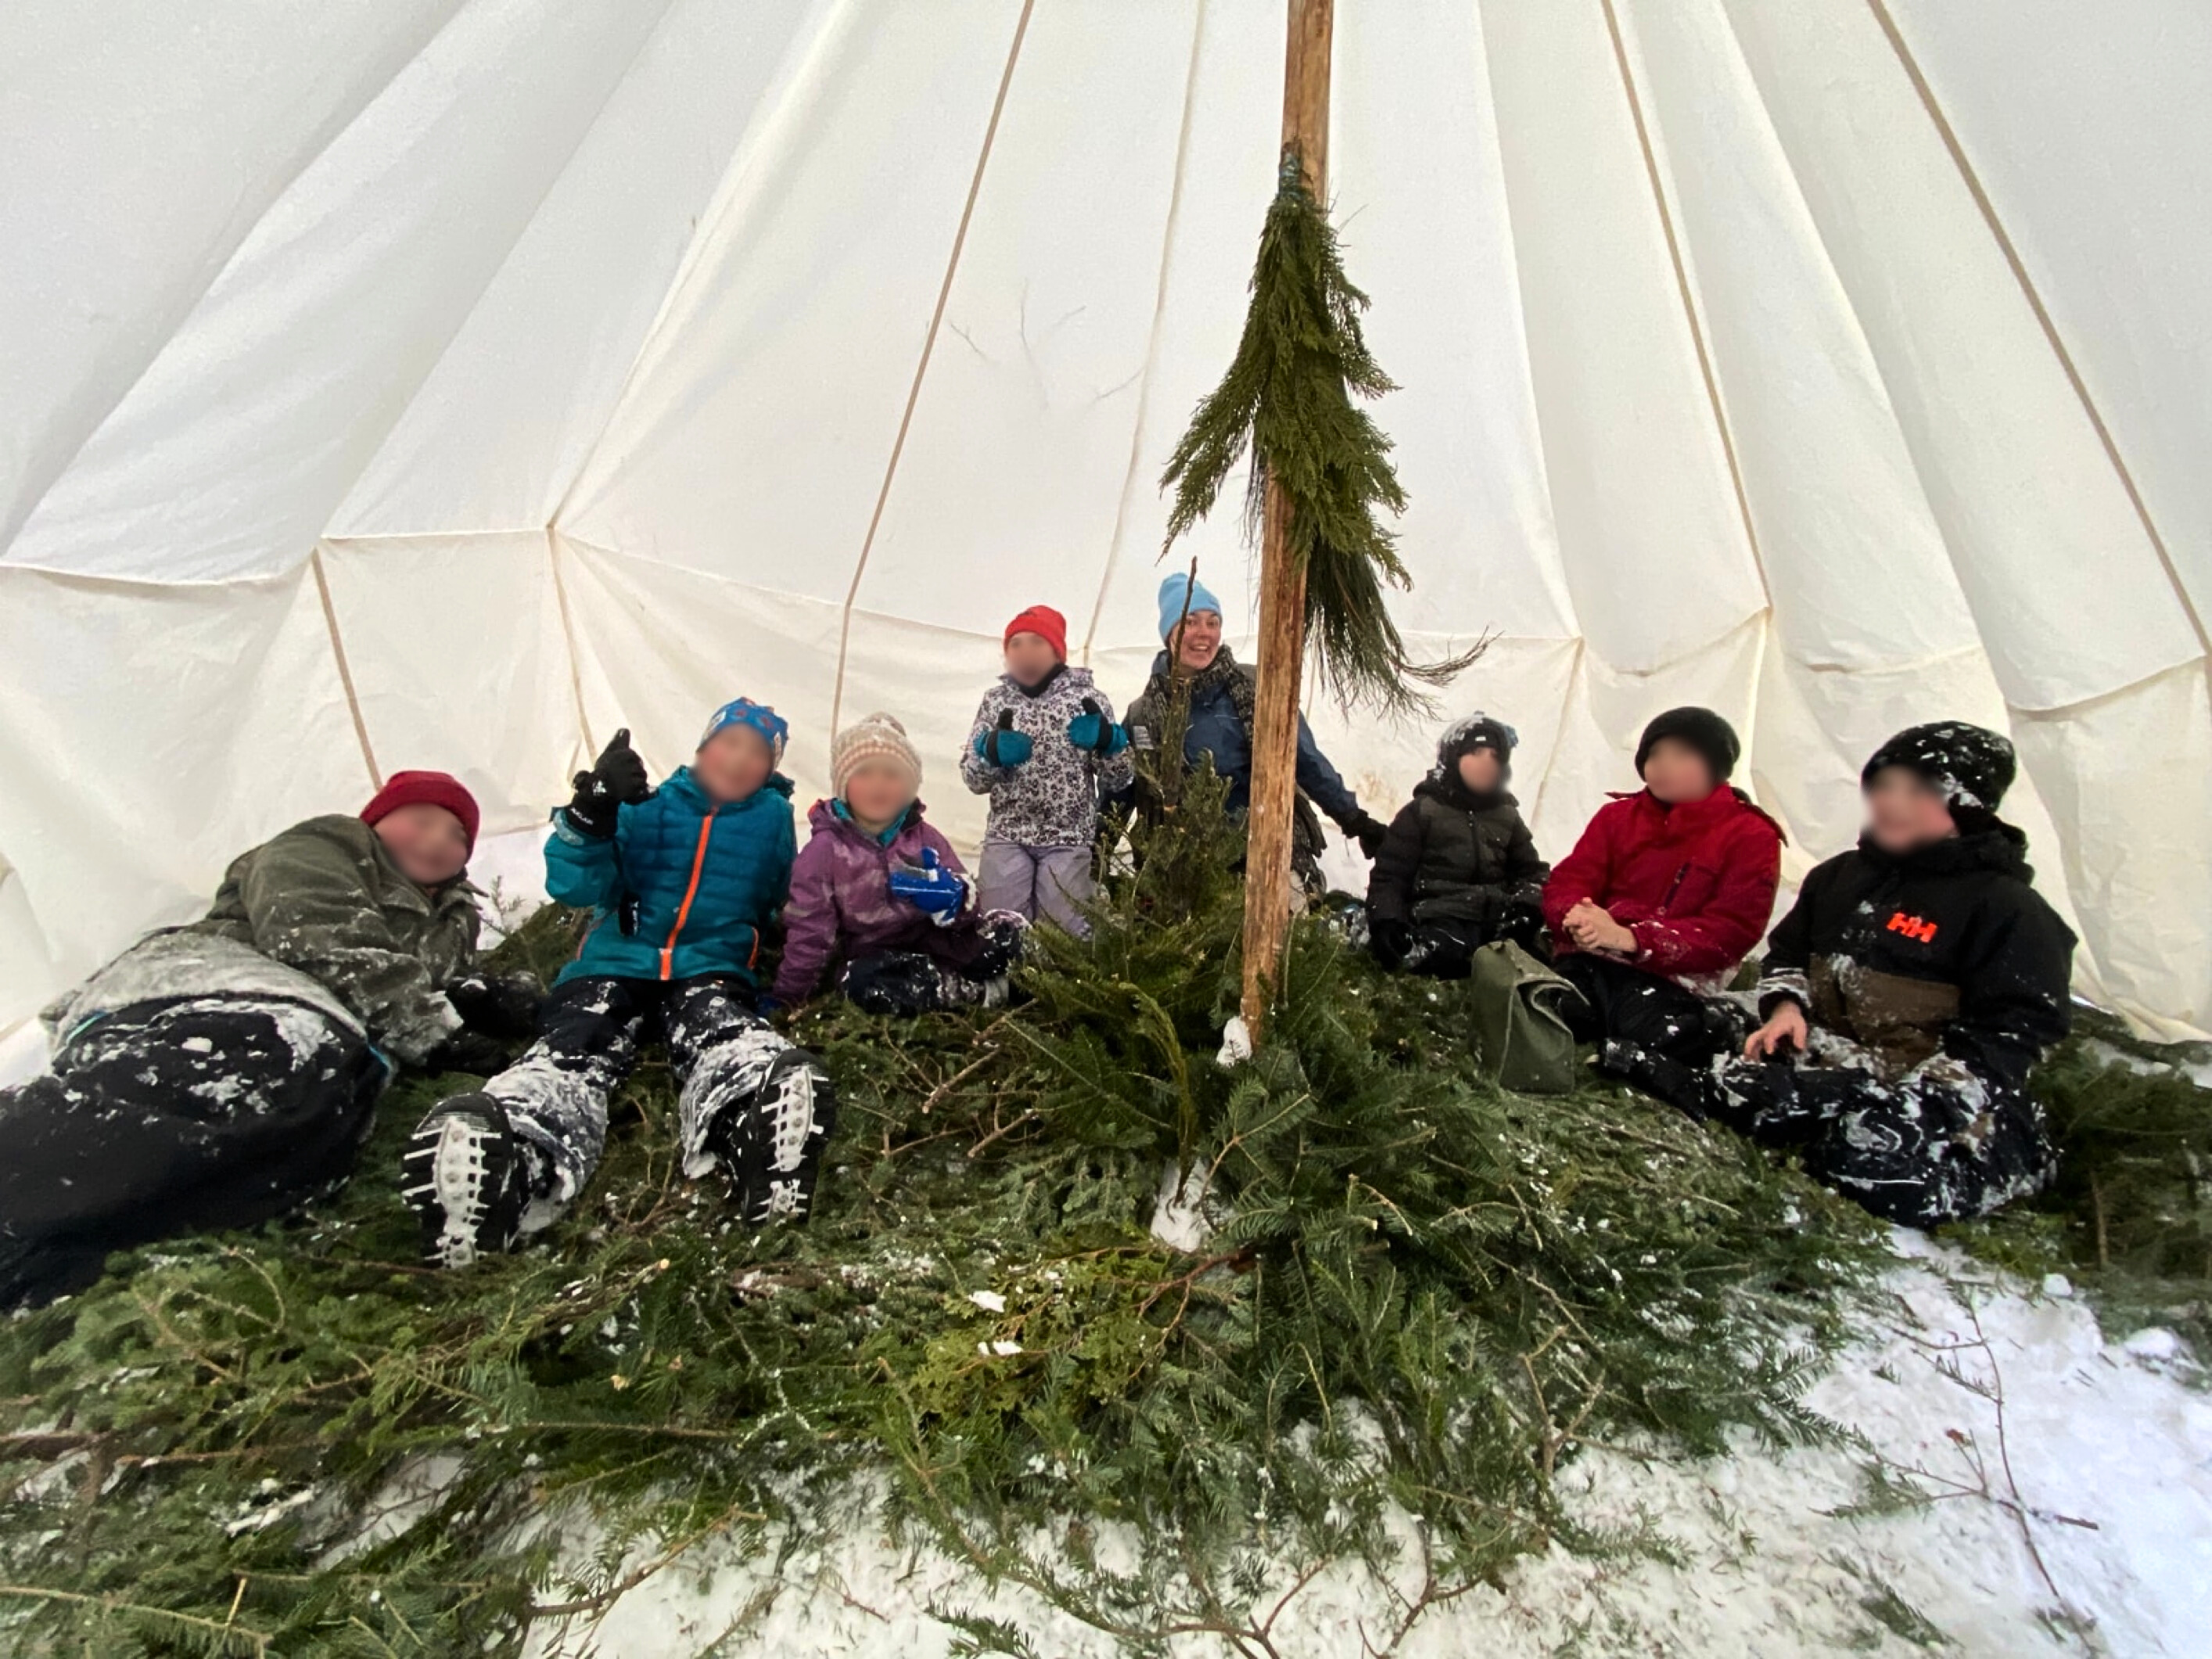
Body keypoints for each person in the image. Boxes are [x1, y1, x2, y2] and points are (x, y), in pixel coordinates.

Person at [0, 771, 530, 1309]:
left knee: (295, 1149)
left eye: (457, 836)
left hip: (329, 1034)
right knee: (243, 1087)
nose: (439, 840)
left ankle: (36, 1265)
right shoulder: (324, 846)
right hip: (209, 988)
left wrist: (475, 994)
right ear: (377, 820)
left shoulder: (452, 918)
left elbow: (412, 977)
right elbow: (317, 933)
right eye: (420, 821)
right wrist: (433, 1031)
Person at [402, 703, 836, 1269]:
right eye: (731, 742)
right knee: (576, 1042)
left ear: (770, 768)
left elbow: (784, 893)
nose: (741, 759)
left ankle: (759, 1131)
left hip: (709, 964)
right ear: (704, 748)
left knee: (721, 1028)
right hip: (614, 960)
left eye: (759, 753)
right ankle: (510, 1156)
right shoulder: (646, 804)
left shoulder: (773, 819)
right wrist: (592, 812)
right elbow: (574, 883)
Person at [1605, 723, 2075, 1227]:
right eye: (1885, 786)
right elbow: (1786, 955)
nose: (1892, 803)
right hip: (1823, 1047)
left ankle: (2006, 1160)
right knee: (1670, 1020)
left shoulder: (2009, 911)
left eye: (1919, 792)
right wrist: (1786, 1008)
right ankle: (1758, 1096)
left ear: (1968, 805)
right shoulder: (1841, 876)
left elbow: (2009, 1039)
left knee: (1865, 1161)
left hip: (1917, 1082)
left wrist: (1914, 1108)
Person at [1121, 572, 1389, 892]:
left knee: (1284, 927)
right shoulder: (1142, 714)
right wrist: (1095, 853)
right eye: (1190, 622)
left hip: (1269, 848)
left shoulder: (1256, 688)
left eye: (1212, 621)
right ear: (1169, 632)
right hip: (1183, 865)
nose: (1203, 634)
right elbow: (1123, 789)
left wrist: (1355, 820)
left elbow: (1304, 759)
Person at [1542, 707, 1784, 1061]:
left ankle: (1722, 1024)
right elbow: (1571, 879)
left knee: (1653, 1031)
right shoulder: (1618, 817)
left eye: (1682, 755)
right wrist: (1576, 915)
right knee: (1552, 1008)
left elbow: (1730, 931)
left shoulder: (1750, 835)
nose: (1663, 766)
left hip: (1675, 979)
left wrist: (1634, 939)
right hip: (1593, 958)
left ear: (1716, 767)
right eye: (1655, 755)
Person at [773, 711, 1025, 1017]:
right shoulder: (825, 852)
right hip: (876, 956)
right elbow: (811, 935)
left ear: (909, 788)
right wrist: (788, 998)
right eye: (864, 773)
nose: (878, 785)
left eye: (892, 775)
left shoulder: (925, 838)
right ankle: (976, 991)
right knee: (864, 984)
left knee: (1009, 927)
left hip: (937, 943)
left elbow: (969, 901)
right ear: (843, 784)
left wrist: (955, 899)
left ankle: (1026, 975)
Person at [960, 603, 1133, 934]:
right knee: (999, 926)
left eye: (1037, 642)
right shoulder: (995, 702)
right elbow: (972, 778)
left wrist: (1110, 744)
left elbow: (1120, 778)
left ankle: (1059, 984)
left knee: (1064, 929)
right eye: (1016, 644)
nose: (1026, 653)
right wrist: (990, 753)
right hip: (1008, 835)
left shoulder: (1087, 700)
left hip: (1068, 837)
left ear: (1057, 651)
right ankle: (1009, 986)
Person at [1366, 713, 1549, 976]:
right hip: (1440, 916)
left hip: (1496, 920)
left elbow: (1532, 873)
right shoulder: (1423, 813)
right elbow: (1390, 876)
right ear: (1453, 757)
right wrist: (1387, 920)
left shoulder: (1507, 817)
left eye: (1494, 756)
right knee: (1443, 955)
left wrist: (1526, 908)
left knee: (1531, 963)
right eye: (1475, 752)